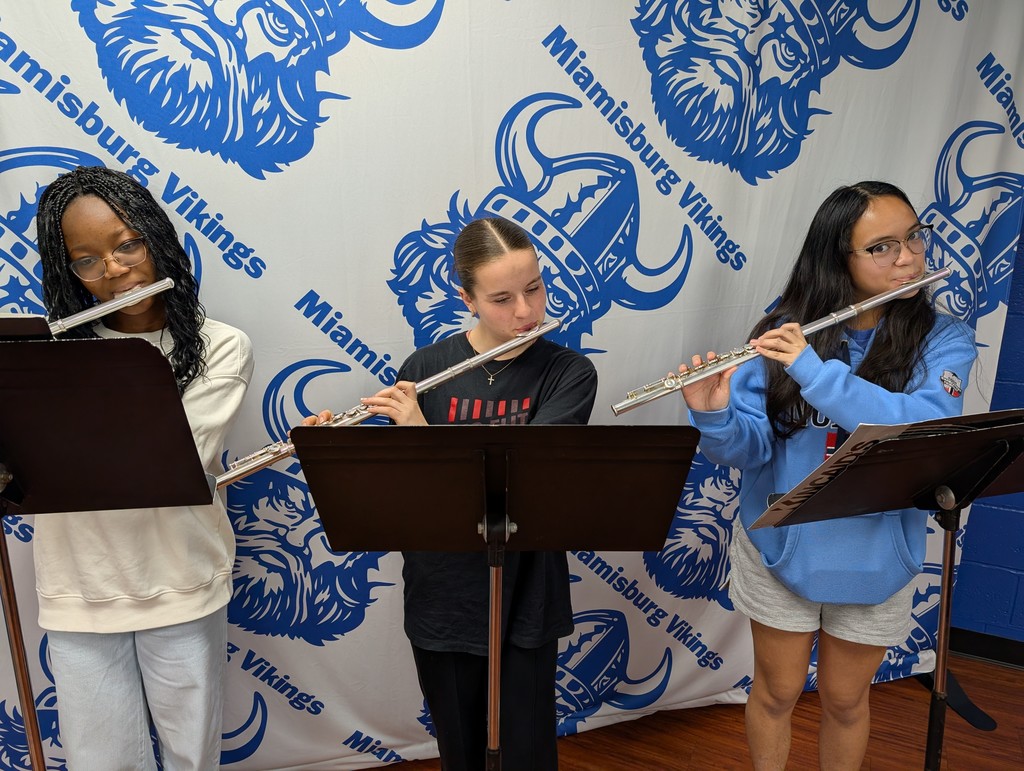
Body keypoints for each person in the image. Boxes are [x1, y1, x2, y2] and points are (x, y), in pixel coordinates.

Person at [677, 181, 977, 770]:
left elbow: (923, 425)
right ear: (838, 258)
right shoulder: (785, 332)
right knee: (777, 691)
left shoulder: (942, 340)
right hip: (783, 541)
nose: (909, 257)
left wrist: (816, 372)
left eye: (914, 237)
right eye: (883, 247)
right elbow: (752, 448)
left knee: (845, 699)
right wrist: (713, 415)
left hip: (876, 546)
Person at [307, 217, 597, 770]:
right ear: (466, 298)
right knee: (459, 753)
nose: (525, 312)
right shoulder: (425, 370)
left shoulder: (568, 372)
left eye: (534, 288)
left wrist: (420, 433)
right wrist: (330, 454)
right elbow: (408, 497)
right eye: (502, 298)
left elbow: (528, 482)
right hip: (443, 592)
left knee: (527, 751)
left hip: (526, 593)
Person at [34, 166, 253, 770]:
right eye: (86, 259)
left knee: (191, 757)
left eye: (127, 243)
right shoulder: (42, 357)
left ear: (157, 239)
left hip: (180, 579)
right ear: (68, 272)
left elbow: (173, 452)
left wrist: (55, 440)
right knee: (98, 761)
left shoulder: (221, 345)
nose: (114, 270)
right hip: (79, 583)